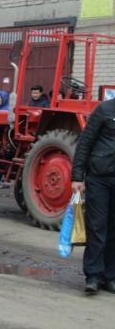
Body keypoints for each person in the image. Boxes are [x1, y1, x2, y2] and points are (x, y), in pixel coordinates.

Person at [71, 97, 115, 294]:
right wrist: (77, 176)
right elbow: (85, 143)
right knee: (97, 226)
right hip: (99, 178)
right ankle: (93, 277)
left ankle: (110, 277)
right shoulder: (104, 109)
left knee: (114, 230)